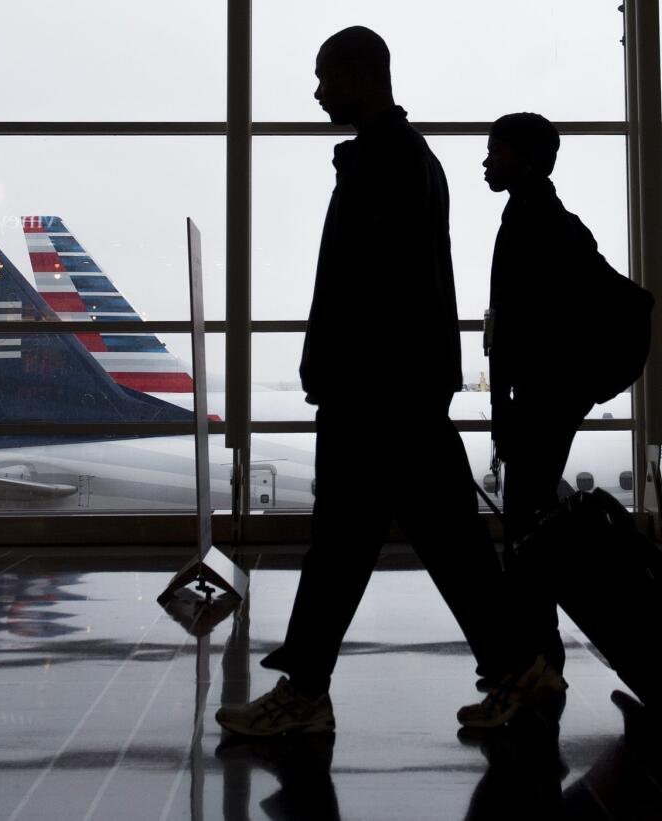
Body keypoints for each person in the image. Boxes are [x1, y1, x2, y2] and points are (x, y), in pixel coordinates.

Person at [216, 27, 563, 737]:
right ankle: (518, 671)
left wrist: (338, 372)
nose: (316, 92)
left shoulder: (387, 161)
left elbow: (371, 289)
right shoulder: (405, 158)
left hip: (375, 395)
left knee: (350, 545)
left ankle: (307, 692)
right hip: (399, 391)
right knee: (437, 545)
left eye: (324, 76)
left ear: (358, 73)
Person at [481, 113, 615, 680]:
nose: (486, 162)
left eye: (496, 151)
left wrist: (505, 406)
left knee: (526, 525)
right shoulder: (550, 221)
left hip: (540, 397)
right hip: (550, 395)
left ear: (527, 161)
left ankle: (536, 655)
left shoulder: (533, 223)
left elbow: (514, 326)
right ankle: (536, 650)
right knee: (528, 520)